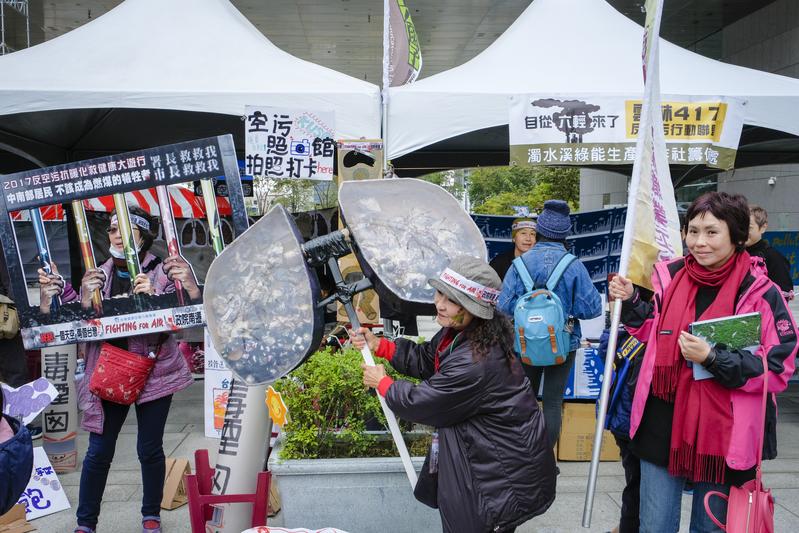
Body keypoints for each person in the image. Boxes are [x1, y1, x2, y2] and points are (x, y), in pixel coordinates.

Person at [609, 192, 797, 533]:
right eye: (692, 231)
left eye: (712, 232)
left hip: (724, 434)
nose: (699, 242)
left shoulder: (760, 291)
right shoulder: (669, 276)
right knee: (655, 526)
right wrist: (632, 301)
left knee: (710, 528)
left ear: (737, 235)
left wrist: (712, 358)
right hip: (661, 422)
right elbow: (653, 331)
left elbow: (779, 367)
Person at [353, 255, 556, 533]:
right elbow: (428, 359)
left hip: (496, 473)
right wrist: (381, 346)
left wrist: (384, 383)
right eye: (439, 294)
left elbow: (425, 402)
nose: (439, 304)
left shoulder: (476, 360)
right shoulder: (462, 332)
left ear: (474, 309)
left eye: (451, 300)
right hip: (484, 458)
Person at [38, 206, 200, 533]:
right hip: (110, 371)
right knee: (98, 451)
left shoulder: (165, 271)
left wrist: (156, 298)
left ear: (143, 236)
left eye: (125, 229)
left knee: (149, 448)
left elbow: (190, 314)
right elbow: (72, 319)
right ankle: (86, 524)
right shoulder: (97, 273)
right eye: (112, 229)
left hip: (156, 372)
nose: (117, 235)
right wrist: (76, 295)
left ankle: (151, 516)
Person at [498, 200, 602, 448]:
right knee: (553, 401)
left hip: (525, 341)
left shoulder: (519, 264)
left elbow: (502, 306)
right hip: (564, 341)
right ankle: (545, 461)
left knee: (526, 398)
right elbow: (593, 309)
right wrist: (563, 310)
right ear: (565, 233)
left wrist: (527, 311)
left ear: (540, 230)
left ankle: (524, 456)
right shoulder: (573, 265)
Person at [746, 204, 794, 300]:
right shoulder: (732, 253)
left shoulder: (774, 258)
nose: (742, 232)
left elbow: (781, 300)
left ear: (763, 227)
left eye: (749, 227)